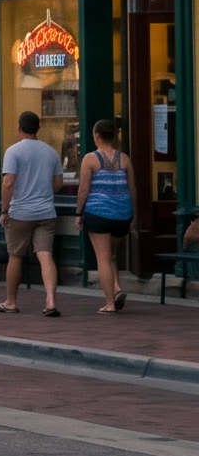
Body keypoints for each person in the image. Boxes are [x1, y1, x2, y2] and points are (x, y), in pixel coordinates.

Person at [0, 110, 61, 317]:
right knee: (45, 255)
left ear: (19, 128)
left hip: (20, 213)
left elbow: (8, 183)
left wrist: (4, 210)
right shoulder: (51, 152)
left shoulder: (13, 152)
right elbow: (58, 184)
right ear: (39, 127)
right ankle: (51, 301)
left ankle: (11, 302)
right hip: (46, 212)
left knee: (15, 256)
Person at [79, 117, 134, 314]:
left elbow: (84, 189)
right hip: (123, 215)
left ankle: (110, 303)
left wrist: (78, 213)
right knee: (111, 254)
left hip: (98, 213)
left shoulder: (90, 159)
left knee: (102, 258)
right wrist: (133, 215)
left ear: (97, 136)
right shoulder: (124, 158)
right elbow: (132, 188)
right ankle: (117, 289)